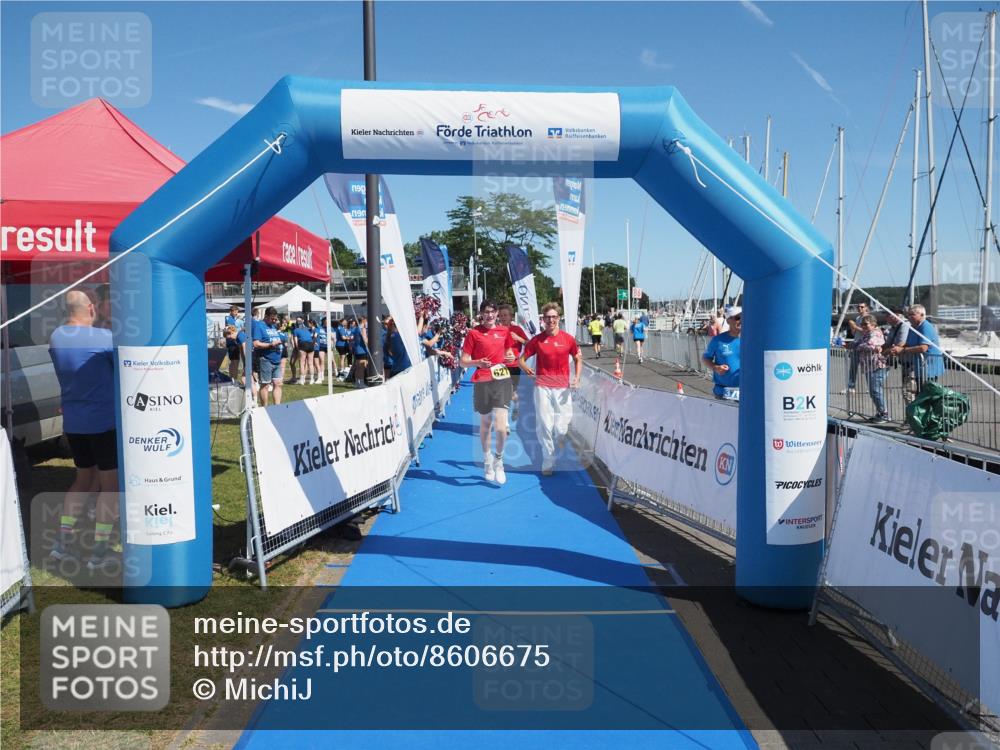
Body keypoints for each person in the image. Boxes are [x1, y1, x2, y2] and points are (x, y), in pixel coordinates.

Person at [47, 290, 119, 569]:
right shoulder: (104, 338)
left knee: (82, 481)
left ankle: (61, 544)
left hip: (74, 423)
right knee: (110, 489)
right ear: (91, 308)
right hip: (103, 423)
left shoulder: (56, 337)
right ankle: (99, 552)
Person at [520, 303, 582, 475]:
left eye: (554, 317)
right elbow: (521, 359)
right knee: (545, 425)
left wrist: (576, 377)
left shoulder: (568, 339)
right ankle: (548, 461)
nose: (551, 320)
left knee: (561, 427)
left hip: (562, 387)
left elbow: (578, 359)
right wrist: (526, 368)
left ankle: (560, 438)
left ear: (558, 318)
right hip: (542, 386)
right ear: (543, 320)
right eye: (548, 317)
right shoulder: (537, 340)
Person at [460, 300, 516, 485]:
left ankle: (499, 460)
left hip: (501, 380)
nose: (490, 315)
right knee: (486, 424)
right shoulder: (473, 333)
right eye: (486, 312)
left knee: (501, 428)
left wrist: (510, 357)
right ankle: (487, 460)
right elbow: (463, 361)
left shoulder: (504, 331)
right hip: (482, 381)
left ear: (496, 313)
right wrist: (477, 362)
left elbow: (509, 353)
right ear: (481, 313)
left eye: (493, 312)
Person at [892, 304, 944, 404]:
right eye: (908, 315)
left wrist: (903, 350)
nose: (909, 317)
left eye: (912, 314)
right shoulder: (913, 327)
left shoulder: (926, 327)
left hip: (929, 365)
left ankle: (927, 416)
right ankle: (919, 415)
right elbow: (908, 343)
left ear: (921, 314)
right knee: (919, 392)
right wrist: (897, 348)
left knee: (928, 394)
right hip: (919, 365)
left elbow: (923, 347)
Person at [847, 314, 889, 423]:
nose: (863, 326)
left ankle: (884, 414)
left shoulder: (876, 333)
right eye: (862, 324)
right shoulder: (866, 334)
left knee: (875, 390)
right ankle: (880, 412)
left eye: (866, 324)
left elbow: (871, 345)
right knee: (873, 391)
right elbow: (859, 342)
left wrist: (857, 346)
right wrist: (851, 344)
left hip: (877, 365)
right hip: (869, 366)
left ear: (873, 324)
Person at [497, 304, 528, 425]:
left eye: (505, 315)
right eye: (501, 315)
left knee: (512, 393)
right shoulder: (495, 329)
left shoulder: (517, 330)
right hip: (499, 366)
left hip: (514, 366)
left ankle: (517, 405)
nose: (503, 317)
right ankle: (505, 423)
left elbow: (529, 344)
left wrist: (518, 338)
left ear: (511, 317)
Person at [701, 306, 741, 400]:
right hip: (724, 393)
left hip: (748, 392)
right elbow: (705, 358)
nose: (741, 320)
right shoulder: (718, 340)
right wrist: (716, 367)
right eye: (737, 318)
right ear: (728, 321)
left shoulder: (752, 340)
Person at [252, 307, 285, 405]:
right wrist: (270, 345)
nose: (274, 321)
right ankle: (265, 409)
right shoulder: (259, 326)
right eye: (272, 319)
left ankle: (277, 408)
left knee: (278, 384)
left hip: (277, 360)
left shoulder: (273, 326)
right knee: (265, 385)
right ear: (266, 316)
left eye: (275, 319)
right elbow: (256, 343)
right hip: (265, 360)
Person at [292, 317, 314, 385]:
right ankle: (312, 379)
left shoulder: (295, 330)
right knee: (310, 363)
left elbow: (295, 341)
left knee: (302, 363)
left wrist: (297, 349)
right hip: (311, 344)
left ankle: (302, 380)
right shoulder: (307, 329)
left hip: (303, 344)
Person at [351, 316, 370, 388]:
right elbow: (365, 340)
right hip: (362, 350)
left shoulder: (356, 328)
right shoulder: (362, 329)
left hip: (357, 350)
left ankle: (357, 383)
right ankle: (361, 383)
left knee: (358, 367)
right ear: (364, 321)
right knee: (361, 367)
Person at [314, 318, 329, 385]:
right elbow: (315, 335)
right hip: (321, 346)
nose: (327, 323)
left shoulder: (330, 328)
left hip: (328, 346)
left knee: (330, 360)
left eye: (327, 322)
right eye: (326, 322)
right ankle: (321, 375)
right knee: (322, 360)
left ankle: (336, 372)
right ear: (323, 322)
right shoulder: (319, 328)